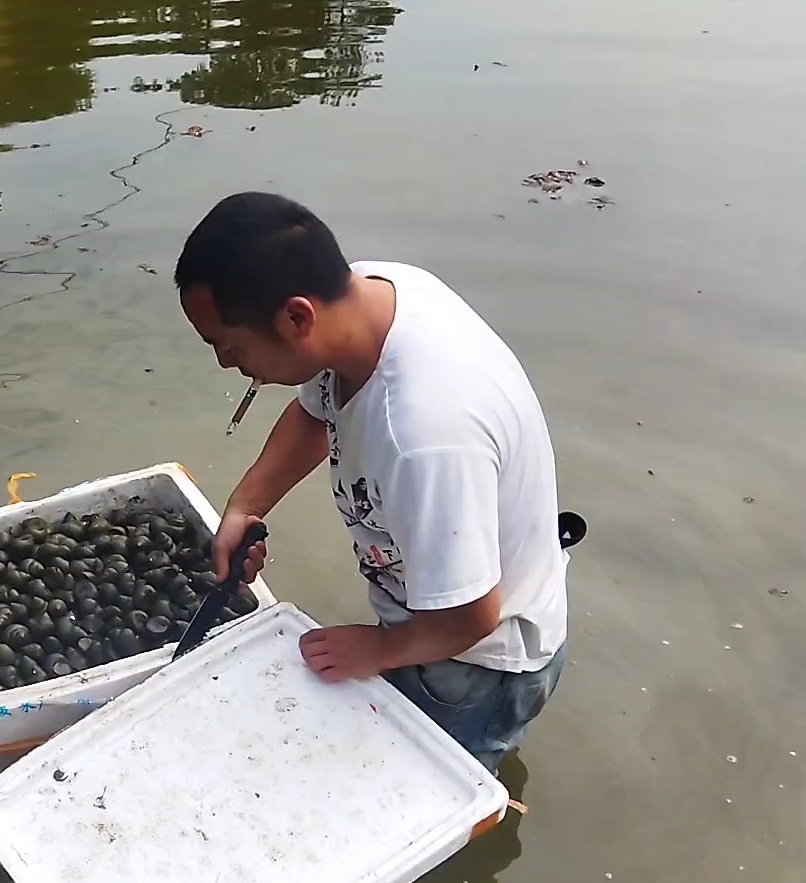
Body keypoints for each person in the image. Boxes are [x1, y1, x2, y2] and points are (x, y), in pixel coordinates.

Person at [174, 192, 568, 769]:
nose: (226, 365)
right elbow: (316, 412)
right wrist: (244, 506)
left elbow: (471, 617)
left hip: (477, 666)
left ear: (295, 317)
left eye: (228, 347)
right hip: (432, 620)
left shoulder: (424, 433)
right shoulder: (371, 296)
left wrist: (377, 647)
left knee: (433, 791)